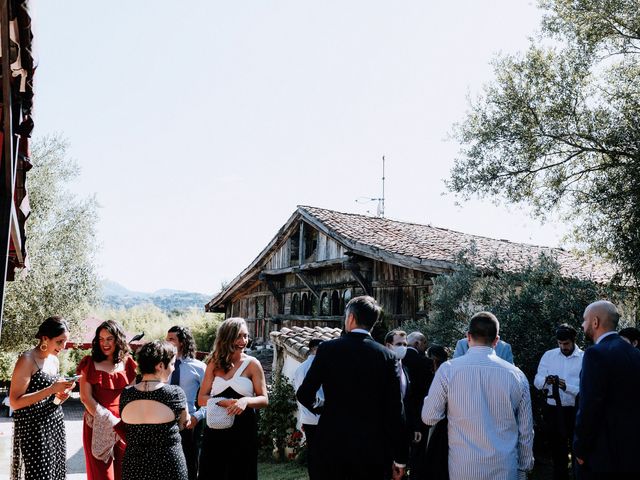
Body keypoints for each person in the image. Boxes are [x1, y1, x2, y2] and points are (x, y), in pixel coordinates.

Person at [297, 296, 409, 480]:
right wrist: (400, 458)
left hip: (333, 443)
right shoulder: (388, 357)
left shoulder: (328, 349)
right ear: (373, 323)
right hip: (374, 448)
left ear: (350, 319)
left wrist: (322, 408)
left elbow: (304, 393)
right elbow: (396, 410)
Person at [422, 311, 534, 480]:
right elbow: (526, 429)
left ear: (468, 337)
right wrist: (524, 467)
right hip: (505, 467)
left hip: (463, 467)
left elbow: (429, 417)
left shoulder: (448, 371)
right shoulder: (516, 375)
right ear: (497, 340)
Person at [573, 300, 640, 478]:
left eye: (584, 320)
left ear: (595, 322)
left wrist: (580, 449)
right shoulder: (635, 353)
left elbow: (589, 407)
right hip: (632, 451)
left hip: (602, 453)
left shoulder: (595, 354)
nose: (582, 324)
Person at [197, 317, 268, 480]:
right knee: (212, 472)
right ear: (227, 337)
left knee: (241, 472)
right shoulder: (214, 363)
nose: (244, 341)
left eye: (246, 336)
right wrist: (221, 402)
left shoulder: (252, 364)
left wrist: (245, 401)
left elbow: (264, 399)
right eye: (239, 336)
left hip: (244, 428)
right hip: (216, 427)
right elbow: (201, 399)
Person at [9, 316, 77, 480]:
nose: (63, 347)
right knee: (40, 475)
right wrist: (51, 389)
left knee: (55, 473)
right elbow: (14, 402)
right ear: (45, 338)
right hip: (34, 430)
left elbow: (51, 397)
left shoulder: (54, 360)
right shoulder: (27, 360)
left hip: (55, 424)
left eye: (65, 342)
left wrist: (61, 395)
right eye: (60, 342)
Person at [119, 340, 189, 480]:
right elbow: (184, 423)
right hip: (169, 464)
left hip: (134, 465)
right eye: (172, 364)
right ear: (160, 365)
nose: (173, 368)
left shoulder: (126, 395)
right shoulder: (175, 393)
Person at [77, 320, 137, 480]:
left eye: (109, 338)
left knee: (124, 473)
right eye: (101, 339)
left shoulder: (128, 363)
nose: (105, 343)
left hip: (124, 424)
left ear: (118, 339)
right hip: (97, 422)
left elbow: (132, 395)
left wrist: (124, 422)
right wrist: (109, 420)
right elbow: (85, 397)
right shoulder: (89, 363)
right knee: (102, 476)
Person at [533, 324, 583, 480]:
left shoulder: (584, 357)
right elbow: (537, 380)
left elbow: (585, 388)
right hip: (554, 410)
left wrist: (566, 386)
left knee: (577, 450)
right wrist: (546, 381)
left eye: (566, 343)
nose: (563, 347)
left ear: (573, 341)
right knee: (557, 450)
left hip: (575, 410)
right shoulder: (549, 356)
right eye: (560, 343)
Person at [166, 325, 207, 480]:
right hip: (164, 423)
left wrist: (198, 416)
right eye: (167, 339)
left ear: (182, 342)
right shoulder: (161, 366)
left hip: (189, 425)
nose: (167, 342)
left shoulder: (199, 367)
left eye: (171, 339)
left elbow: (211, 398)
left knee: (189, 466)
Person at [403, 331, 434, 479]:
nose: (425, 348)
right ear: (417, 343)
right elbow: (428, 392)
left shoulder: (396, 358)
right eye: (425, 344)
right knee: (417, 455)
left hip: (400, 413)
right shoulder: (425, 362)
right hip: (418, 414)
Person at [293, 339, 324, 480]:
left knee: (313, 453)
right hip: (321, 415)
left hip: (307, 417)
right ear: (314, 349)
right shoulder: (320, 366)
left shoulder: (299, 368)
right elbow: (320, 395)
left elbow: (298, 393)